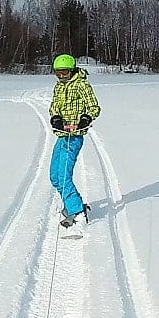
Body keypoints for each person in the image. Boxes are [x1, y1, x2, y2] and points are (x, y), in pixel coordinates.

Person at [48, 54, 101, 227]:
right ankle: (73, 204)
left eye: (64, 72)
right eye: (58, 73)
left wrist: (86, 118)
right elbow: (54, 106)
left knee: (64, 176)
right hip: (62, 135)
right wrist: (55, 117)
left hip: (74, 136)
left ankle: (77, 212)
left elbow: (94, 107)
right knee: (55, 176)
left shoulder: (82, 85)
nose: (61, 76)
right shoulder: (58, 87)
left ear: (72, 70)